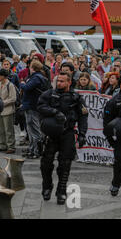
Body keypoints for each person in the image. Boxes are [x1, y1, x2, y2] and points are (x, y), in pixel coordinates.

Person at [37, 72, 88, 204]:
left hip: (68, 133)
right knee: (46, 163)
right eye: (58, 81)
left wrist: (82, 134)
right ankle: (47, 186)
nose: (59, 83)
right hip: (51, 133)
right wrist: (54, 112)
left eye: (62, 81)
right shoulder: (48, 94)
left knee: (65, 164)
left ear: (69, 82)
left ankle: (61, 190)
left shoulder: (76, 97)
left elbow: (83, 116)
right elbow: (40, 106)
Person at [20, 60, 49, 159]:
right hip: (31, 105)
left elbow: (27, 88)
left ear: (33, 68)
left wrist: (22, 83)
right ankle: (32, 150)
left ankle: (36, 151)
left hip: (32, 105)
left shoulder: (36, 78)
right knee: (31, 129)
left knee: (34, 129)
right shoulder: (38, 77)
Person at [0, 69, 17, 154]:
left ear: (3, 76)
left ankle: (11, 146)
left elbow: (13, 98)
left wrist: (2, 103)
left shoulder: (10, 85)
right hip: (0, 110)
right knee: (1, 129)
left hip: (8, 110)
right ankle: (2, 145)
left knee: (9, 129)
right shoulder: (0, 84)